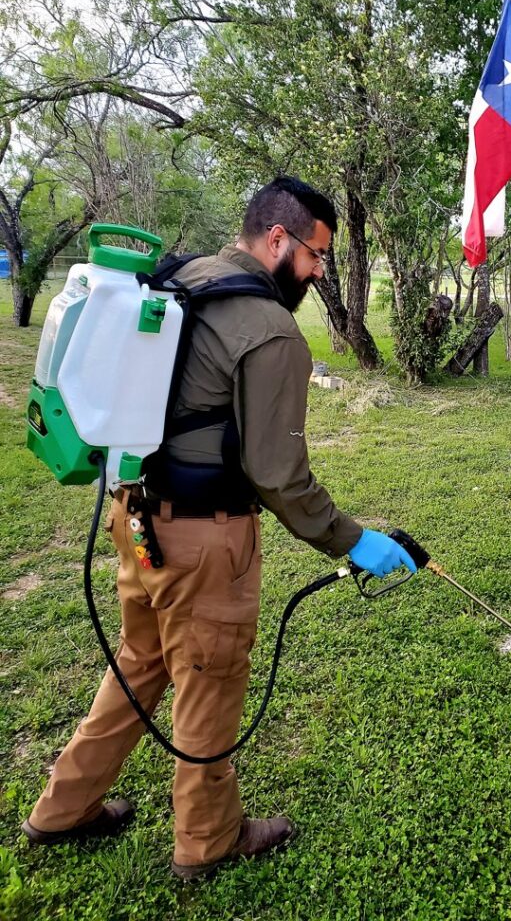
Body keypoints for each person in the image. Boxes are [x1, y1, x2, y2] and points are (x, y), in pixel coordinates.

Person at [22, 176, 416, 880]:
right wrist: (354, 539)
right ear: (276, 240)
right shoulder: (272, 332)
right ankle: (208, 842)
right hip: (204, 542)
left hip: (134, 516)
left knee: (141, 664)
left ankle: (63, 807)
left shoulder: (185, 278)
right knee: (209, 679)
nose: (320, 272)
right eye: (316, 255)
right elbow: (279, 475)